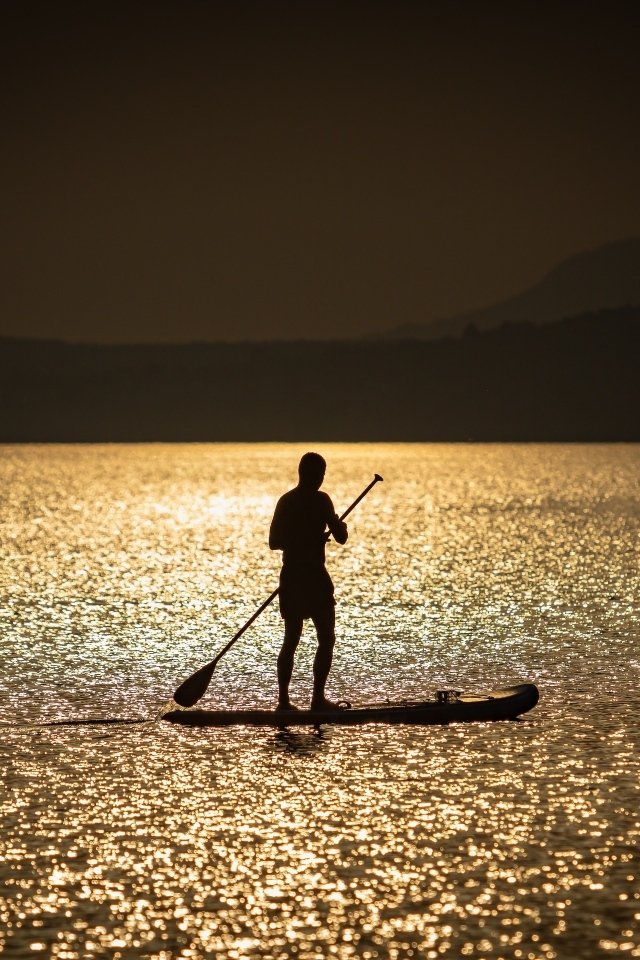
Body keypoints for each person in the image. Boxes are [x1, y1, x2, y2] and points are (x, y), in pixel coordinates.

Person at [269, 452, 348, 711]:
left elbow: (275, 542)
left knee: (312, 638)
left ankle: (311, 699)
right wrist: (316, 536)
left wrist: (333, 528)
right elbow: (341, 537)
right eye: (320, 474)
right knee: (310, 638)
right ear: (309, 474)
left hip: (297, 577)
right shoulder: (319, 500)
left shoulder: (287, 501)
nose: (321, 479)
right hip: (307, 577)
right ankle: (292, 701)